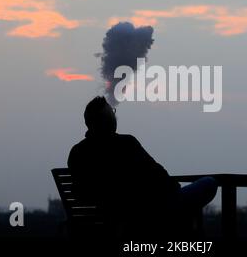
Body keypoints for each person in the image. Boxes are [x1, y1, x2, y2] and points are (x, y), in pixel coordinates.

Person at [68, 96, 217, 236]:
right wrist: (172, 189)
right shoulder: (126, 144)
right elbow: (160, 176)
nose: (115, 116)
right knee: (208, 183)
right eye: (112, 112)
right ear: (107, 120)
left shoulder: (76, 152)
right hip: (143, 216)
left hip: (105, 222)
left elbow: (80, 193)